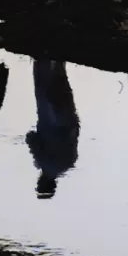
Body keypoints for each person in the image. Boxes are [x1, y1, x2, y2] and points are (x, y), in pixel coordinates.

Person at [26, 58, 80, 199]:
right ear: (41, 182)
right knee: (44, 78)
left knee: (60, 78)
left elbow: (75, 134)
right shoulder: (43, 163)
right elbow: (31, 139)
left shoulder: (70, 163)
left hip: (68, 115)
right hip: (50, 113)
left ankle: (58, 55)